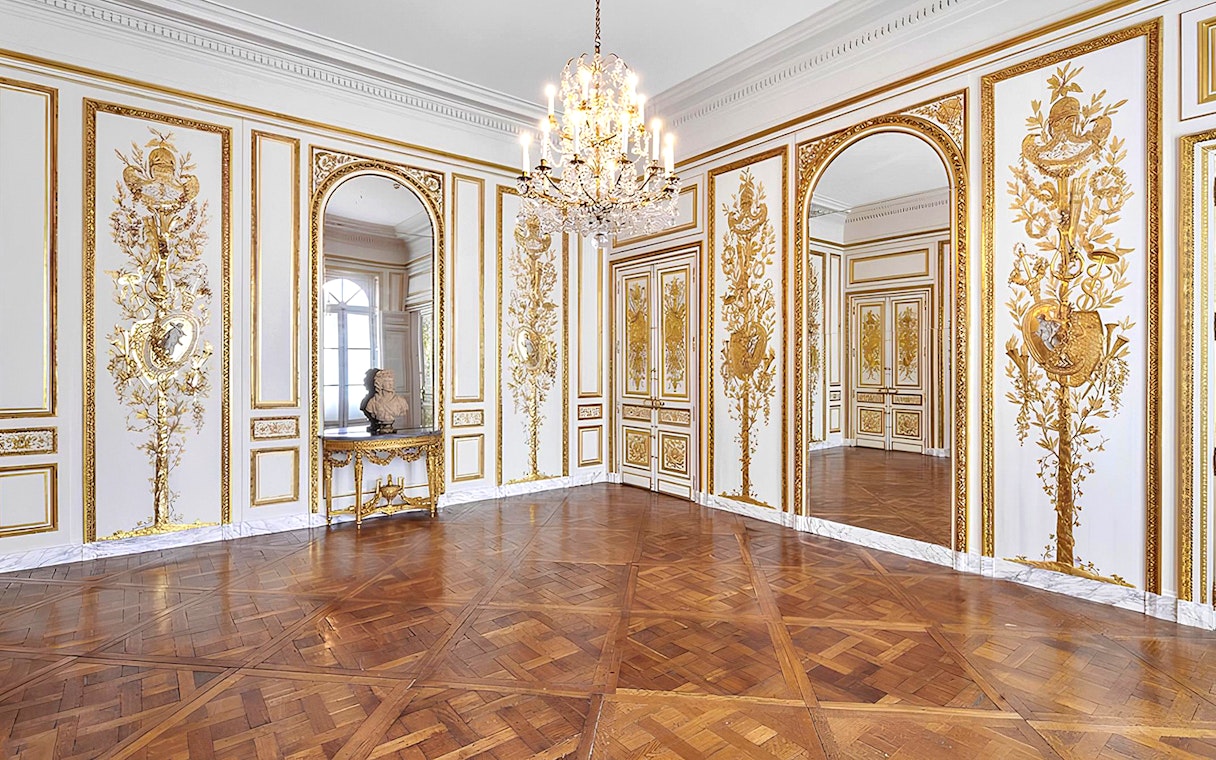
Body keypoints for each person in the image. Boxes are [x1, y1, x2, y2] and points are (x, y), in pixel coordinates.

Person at [364, 368, 410, 433]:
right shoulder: (372, 402)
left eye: (392, 381)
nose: (391, 384)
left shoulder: (401, 402)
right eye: (387, 382)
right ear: (380, 384)